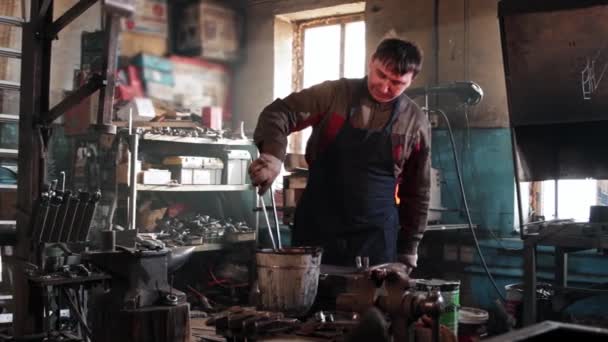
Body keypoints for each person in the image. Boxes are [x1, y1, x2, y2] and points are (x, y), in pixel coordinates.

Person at [249, 38, 431, 272]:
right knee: (309, 303)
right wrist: (272, 157)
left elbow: (418, 191)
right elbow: (279, 113)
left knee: (373, 307)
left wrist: (409, 247)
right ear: (371, 62)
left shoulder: (415, 122)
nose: (384, 87)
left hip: (376, 239)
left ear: (411, 80)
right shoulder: (335, 94)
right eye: (380, 75)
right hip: (318, 228)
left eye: (396, 82)